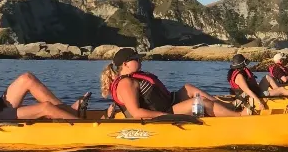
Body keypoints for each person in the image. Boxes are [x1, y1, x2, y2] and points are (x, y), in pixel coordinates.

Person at [100, 47, 249, 118]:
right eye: (136, 59)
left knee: (188, 88)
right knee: (199, 103)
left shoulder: (133, 78)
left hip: (168, 104)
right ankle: (239, 117)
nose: (140, 60)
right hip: (163, 113)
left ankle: (228, 108)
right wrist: (166, 117)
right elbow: (136, 112)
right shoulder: (126, 83)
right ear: (125, 64)